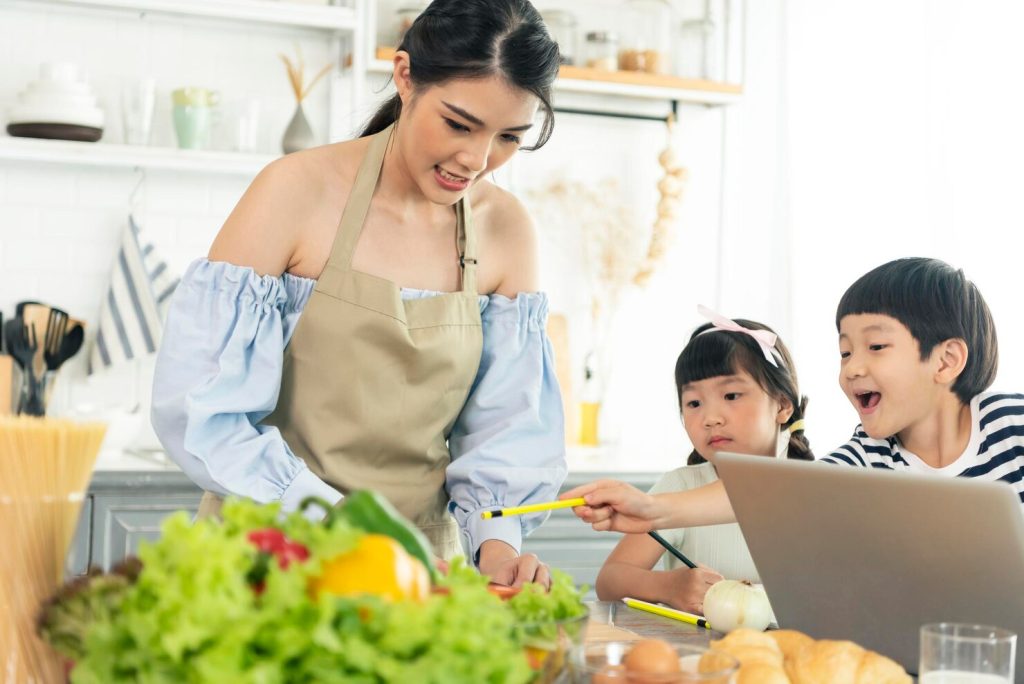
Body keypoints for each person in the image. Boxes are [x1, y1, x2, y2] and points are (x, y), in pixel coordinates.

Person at [151, 0, 566, 586]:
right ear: (404, 76)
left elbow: (506, 427)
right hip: (268, 552)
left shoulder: (508, 230)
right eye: (458, 123)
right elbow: (199, 409)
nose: (476, 160)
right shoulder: (294, 190)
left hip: (418, 571)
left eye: (509, 138)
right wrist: (329, 517)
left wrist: (498, 546)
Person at [565, 257, 1024, 535]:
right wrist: (653, 509)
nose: (852, 368)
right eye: (845, 351)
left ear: (945, 361)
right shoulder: (867, 460)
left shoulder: (1012, 426)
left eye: (876, 346)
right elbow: (774, 495)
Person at [595, 307, 812, 614]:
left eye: (732, 396)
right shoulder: (680, 486)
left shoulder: (817, 487)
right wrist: (669, 587)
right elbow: (609, 581)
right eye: (694, 402)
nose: (710, 418)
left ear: (783, 405)